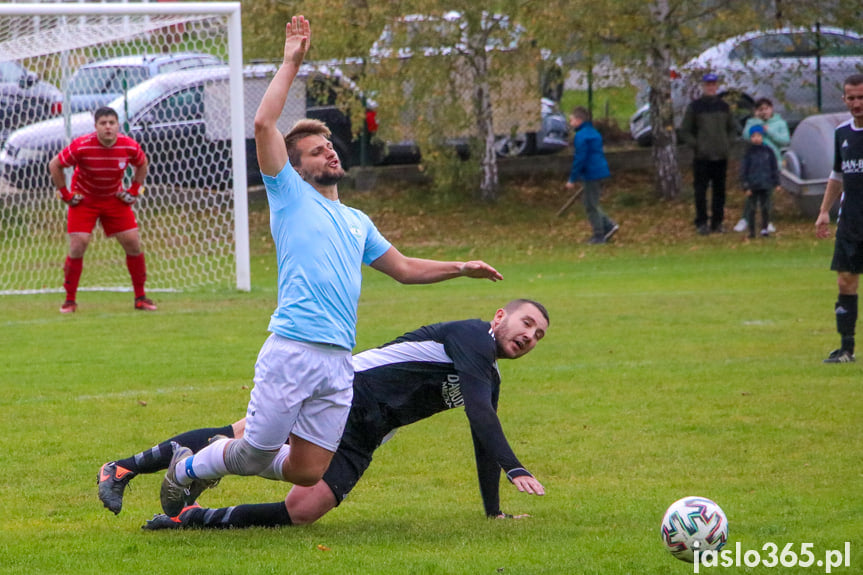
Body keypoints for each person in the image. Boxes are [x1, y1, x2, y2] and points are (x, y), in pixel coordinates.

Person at [157, 15, 503, 518]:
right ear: (296, 168)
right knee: (254, 451)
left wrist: (461, 267)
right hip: (294, 348)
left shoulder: (357, 221)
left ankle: (198, 466)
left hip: (339, 360)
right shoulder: (289, 195)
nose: (330, 152)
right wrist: (291, 62)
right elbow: (262, 125)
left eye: (331, 146)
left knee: (307, 470)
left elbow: (404, 268)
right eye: (318, 151)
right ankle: (187, 471)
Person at [94, 299, 548, 528]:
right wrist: (517, 467)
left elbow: (482, 436)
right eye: (527, 323)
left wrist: (493, 512)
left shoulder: (489, 378)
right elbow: (482, 419)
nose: (529, 336)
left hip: (371, 430)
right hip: (346, 391)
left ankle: (188, 518)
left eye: (538, 336)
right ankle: (122, 468)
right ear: (500, 316)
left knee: (304, 509)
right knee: (245, 434)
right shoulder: (472, 337)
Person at [48, 106, 155, 313]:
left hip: (113, 198)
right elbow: (55, 165)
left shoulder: (129, 146)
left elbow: (142, 163)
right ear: (95, 126)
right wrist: (66, 195)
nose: (108, 127)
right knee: (79, 244)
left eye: (111, 123)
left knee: (133, 242)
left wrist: (134, 190)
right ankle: (70, 301)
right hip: (85, 200)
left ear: (117, 126)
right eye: (103, 123)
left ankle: (140, 298)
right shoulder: (82, 146)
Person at [815, 73, 863, 364]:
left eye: (862, 97)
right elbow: (837, 175)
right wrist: (823, 211)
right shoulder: (842, 133)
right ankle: (846, 348)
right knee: (846, 281)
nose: (857, 103)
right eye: (852, 98)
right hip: (851, 221)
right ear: (844, 99)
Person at [680, 73, 740, 236]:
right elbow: (685, 131)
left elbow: (734, 128)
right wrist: (697, 145)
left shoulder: (724, 107)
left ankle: (717, 222)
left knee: (719, 192)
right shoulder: (695, 107)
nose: (711, 87)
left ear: (717, 86)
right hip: (702, 157)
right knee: (700, 191)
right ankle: (701, 222)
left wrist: (727, 144)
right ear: (703, 86)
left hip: (721, 156)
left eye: (713, 84)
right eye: (708, 85)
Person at [734, 98, 790, 234]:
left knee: (767, 195)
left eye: (766, 109)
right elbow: (746, 135)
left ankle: (767, 222)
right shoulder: (752, 122)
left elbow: (785, 140)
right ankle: (745, 219)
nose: (764, 112)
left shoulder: (779, 123)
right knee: (752, 194)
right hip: (754, 165)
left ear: (771, 109)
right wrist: (757, 124)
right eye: (760, 109)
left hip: (771, 163)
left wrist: (768, 131)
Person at [565, 106, 618, 244]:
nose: (570, 123)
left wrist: (572, 178)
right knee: (590, 202)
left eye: (571, 120)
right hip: (600, 170)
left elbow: (580, 158)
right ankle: (608, 226)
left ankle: (600, 233)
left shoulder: (581, 136)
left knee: (590, 205)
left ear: (578, 120)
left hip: (591, 173)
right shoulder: (593, 132)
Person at [739, 125, 780, 239]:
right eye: (753, 136)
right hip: (753, 185)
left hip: (766, 184)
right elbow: (744, 170)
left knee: (765, 208)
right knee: (751, 209)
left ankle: (765, 229)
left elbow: (774, 167)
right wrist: (745, 186)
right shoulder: (748, 153)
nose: (756, 138)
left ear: (762, 137)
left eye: (758, 136)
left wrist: (776, 182)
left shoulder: (768, 151)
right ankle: (751, 231)